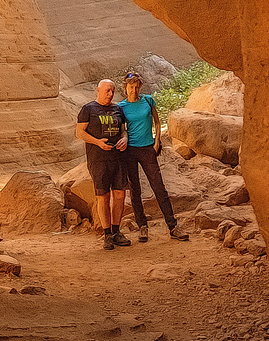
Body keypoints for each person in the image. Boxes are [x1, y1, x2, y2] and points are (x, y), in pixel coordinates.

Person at [118, 71, 190, 241]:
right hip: (130, 151)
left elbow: (157, 122)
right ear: (125, 88)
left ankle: (172, 226)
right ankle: (142, 226)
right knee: (135, 190)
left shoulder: (148, 100)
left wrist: (157, 140)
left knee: (158, 186)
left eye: (136, 87)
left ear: (140, 87)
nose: (134, 90)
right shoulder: (121, 107)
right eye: (130, 87)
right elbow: (122, 129)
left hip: (147, 148)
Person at [74, 79, 131, 249]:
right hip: (98, 159)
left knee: (120, 195)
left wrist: (125, 139)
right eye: (107, 90)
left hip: (118, 158)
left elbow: (123, 130)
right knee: (103, 196)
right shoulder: (88, 109)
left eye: (112, 91)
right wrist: (97, 142)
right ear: (98, 90)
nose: (110, 94)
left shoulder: (118, 109)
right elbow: (79, 132)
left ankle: (116, 231)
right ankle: (107, 235)